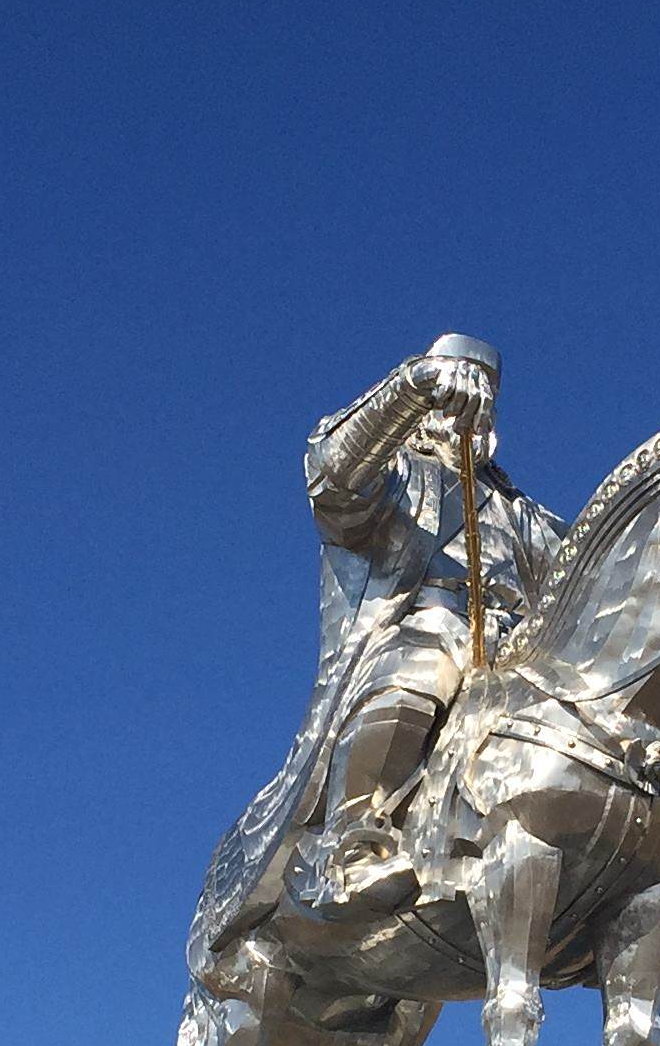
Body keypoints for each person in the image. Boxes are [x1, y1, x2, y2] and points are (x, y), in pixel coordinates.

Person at [187, 335, 568, 973]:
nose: (474, 407)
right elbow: (333, 476)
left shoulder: (520, 513)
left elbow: (583, 575)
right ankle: (353, 842)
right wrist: (414, 385)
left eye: (486, 397)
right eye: (462, 389)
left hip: (514, 653)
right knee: (422, 668)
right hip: (425, 626)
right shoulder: (400, 479)